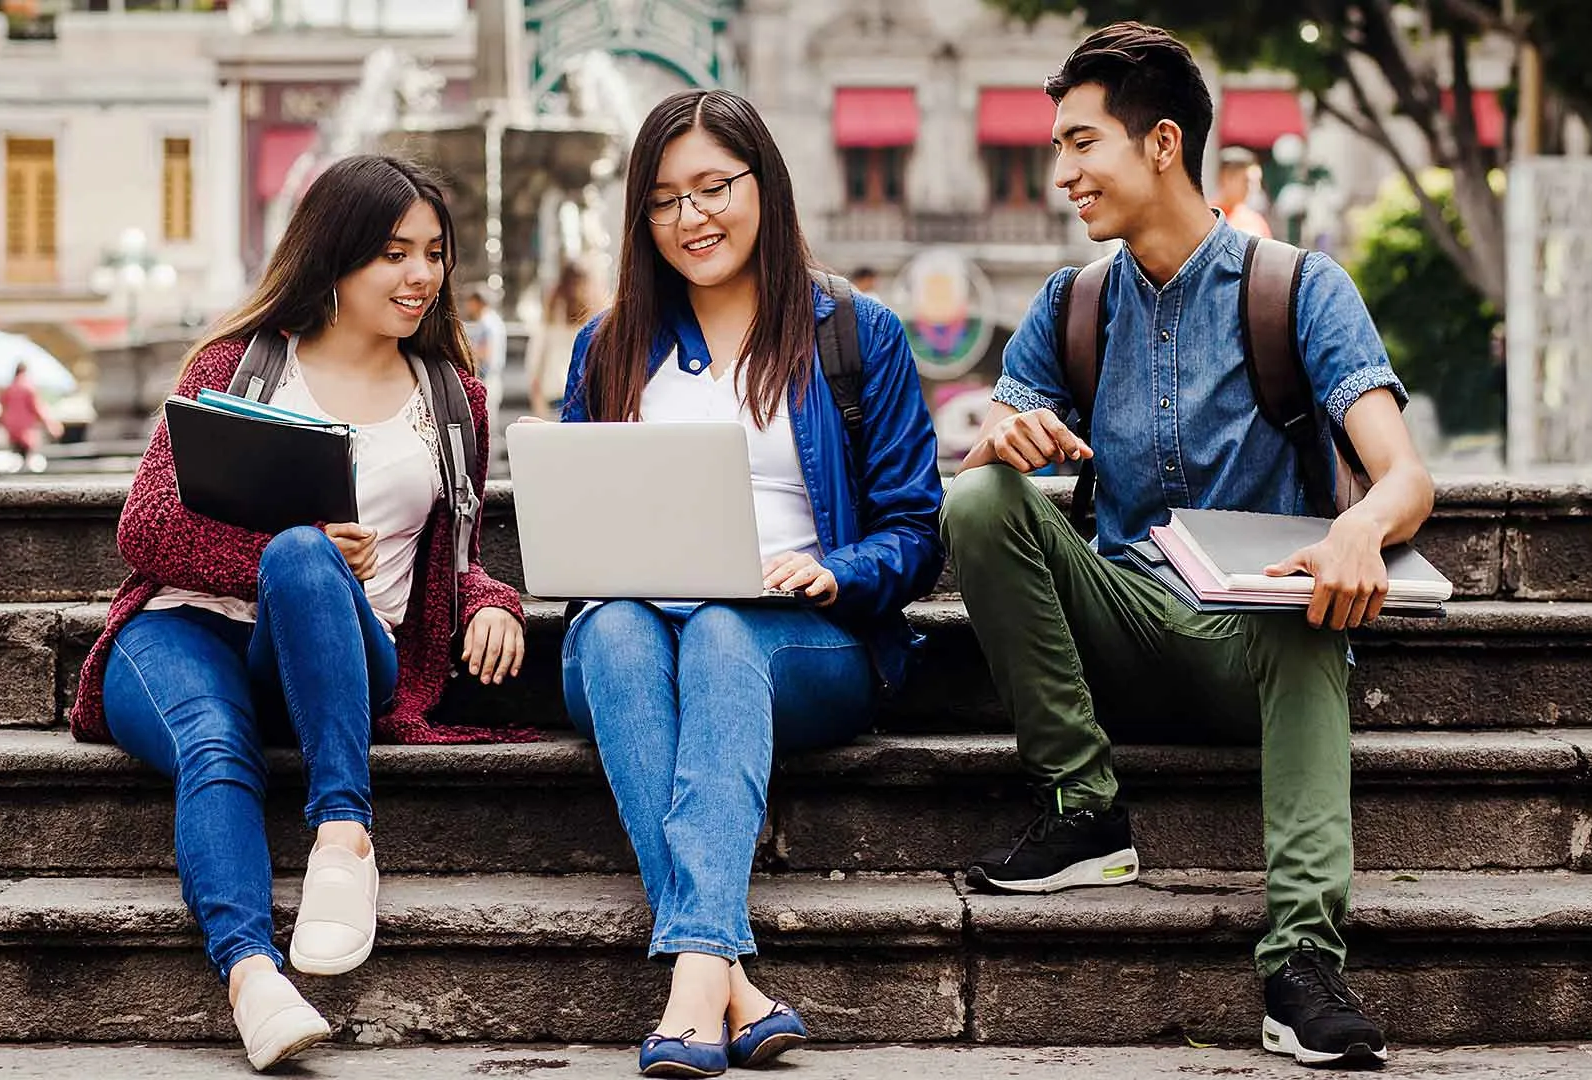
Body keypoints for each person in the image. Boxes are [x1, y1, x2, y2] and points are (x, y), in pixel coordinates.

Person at [941, 23, 1432, 1070]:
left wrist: (1354, 532)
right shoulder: (1070, 305)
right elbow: (992, 472)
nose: (1061, 172)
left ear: (1162, 143)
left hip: (1254, 644)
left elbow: (1407, 478)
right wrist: (1004, 443)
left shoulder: (1300, 288)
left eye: (1082, 143)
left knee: (1308, 611)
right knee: (980, 503)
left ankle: (1301, 966)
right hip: (1117, 630)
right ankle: (1085, 810)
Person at [65, 155, 528, 1072]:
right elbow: (146, 526)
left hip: (346, 651)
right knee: (219, 729)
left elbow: (458, 553)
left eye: (434, 254)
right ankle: (252, 979)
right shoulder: (240, 363)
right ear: (336, 256)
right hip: (183, 631)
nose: (420, 277)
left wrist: (493, 603)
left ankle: (343, 838)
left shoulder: (453, 398)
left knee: (309, 561)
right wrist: (285, 547)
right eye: (394, 254)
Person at [557, 88, 944, 1078]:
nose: (692, 218)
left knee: (727, 627)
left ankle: (693, 983)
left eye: (713, 187)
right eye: (663, 199)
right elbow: (575, 524)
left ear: (762, 184)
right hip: (637, 634)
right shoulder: (607, 349)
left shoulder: (856, 335)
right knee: (607, 632)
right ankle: (722, 975)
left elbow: (914, 532)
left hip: (799, 641)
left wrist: (832, 567)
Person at [528, 257, 594, 417]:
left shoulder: (549, 320)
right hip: (579, 400)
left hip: (555, 396)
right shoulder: (591, 324)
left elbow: (534, 362)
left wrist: (537, 401)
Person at [0, 361, 64, 471]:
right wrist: (51, 425)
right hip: (26, 430)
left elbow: (2, 407)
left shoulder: (9, 388)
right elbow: (38, 408)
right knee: (28, 459)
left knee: (16, 458)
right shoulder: (28, 388)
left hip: (11, 428)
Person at [463, 284, 508, 430]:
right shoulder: (493, 321)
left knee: (486, 429)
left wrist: (465, 348)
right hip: (492, 379)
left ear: (478, 302)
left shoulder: (487, 323)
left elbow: (487, 353)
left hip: (488, 379)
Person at [1215, 146, 1274, 238]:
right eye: (1246, 181)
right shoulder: (1205, 218)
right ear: (1226, 178)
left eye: (1257, 182)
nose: (1253, 188)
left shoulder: (1256, 223)